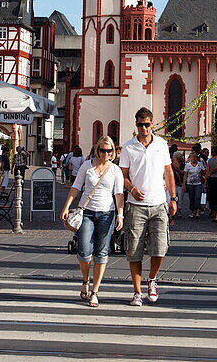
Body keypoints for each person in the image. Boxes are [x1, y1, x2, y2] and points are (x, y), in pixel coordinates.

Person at [119, 107, 176, 307]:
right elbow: (122, 175)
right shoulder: (128, 147)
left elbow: (168, 172)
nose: (144, 128)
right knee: (134, 251)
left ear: (153, 124)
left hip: (159, 202)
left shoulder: (161, 144)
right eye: (140, 124)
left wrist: (173, 197)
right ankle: (137, 292)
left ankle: (151, 279)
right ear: (136, 125)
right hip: (135, 206)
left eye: (147, 124)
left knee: (160, 248)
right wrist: (132, 189)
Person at [61, 136, 125, 307]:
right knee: (84, 250)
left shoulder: (115, 170)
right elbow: (76, 187)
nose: (106, 153)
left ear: (113, 152)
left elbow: (119, 194)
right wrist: (66, 207)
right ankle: (84, 280)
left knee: (102, 252)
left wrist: (120, 215)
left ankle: (95, 291)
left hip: (107, 213)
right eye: (103, 150)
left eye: (109, 150)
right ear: (97, 149)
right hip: (86, 212)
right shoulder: (86, 166)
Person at [182, 151, 206, 219]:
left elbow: (204, 173)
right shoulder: (187, 165)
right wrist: (184, 184)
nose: (194, 159)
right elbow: (185, 175)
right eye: (192, 157)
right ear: (190, 158)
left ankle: (198, 211)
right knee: (191, 197)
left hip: (198, 183)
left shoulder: (200, 164)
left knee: (198, 197)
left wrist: (205, 182)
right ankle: (192, 211)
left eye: (195, 157)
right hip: (190, 183)